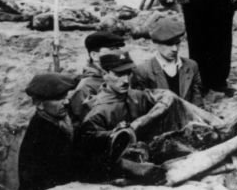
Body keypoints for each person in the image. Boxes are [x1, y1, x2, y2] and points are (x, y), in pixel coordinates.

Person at [78, 51, 225, 182]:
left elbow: (166, 97)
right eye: (118, 74)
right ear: (104, 74)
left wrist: (141, 122)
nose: (125, 80)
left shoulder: (136, 96)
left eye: (127, 74)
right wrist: (116, 136)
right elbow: (87, 149)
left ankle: (219, 129)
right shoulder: (97, 112)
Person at [18, 72, 79, 190]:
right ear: (39, 104)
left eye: (65, 96)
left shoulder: (61, 117)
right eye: (58, 99)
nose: (65, 102)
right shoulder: (40, 133)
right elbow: (36, 179)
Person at [131, 17, 203, 104]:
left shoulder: (191, 66)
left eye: (177, 43)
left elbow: (197, 102)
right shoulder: (143, 71)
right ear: (155, 43)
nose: (175, 49)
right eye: (169, 44)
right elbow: (142, 107)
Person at [66, 30, 127, 123]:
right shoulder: (85, 88)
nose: (117, 53)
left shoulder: (123, 76)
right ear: (94, 55)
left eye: (118, 49)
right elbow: (85, 125)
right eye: (111, 49)